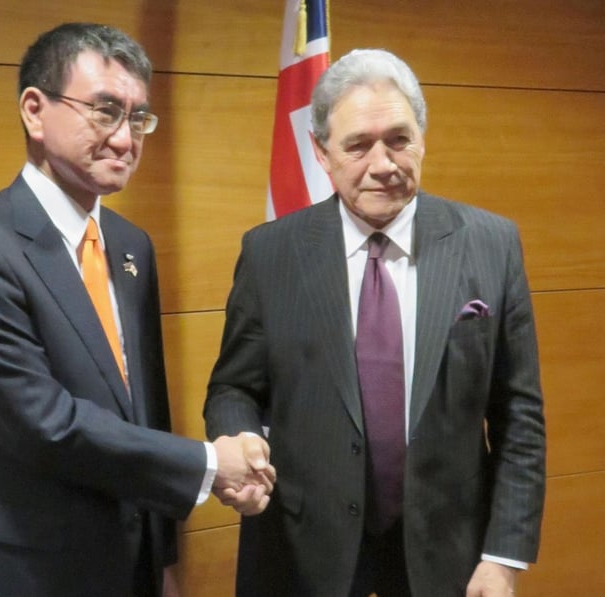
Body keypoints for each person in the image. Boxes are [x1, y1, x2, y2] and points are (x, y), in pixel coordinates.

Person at [0, 23, 275, 597]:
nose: (125, 138)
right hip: (27, 574)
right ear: (35, 112)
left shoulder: (130, 245)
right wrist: (210, 465)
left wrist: (162, 559)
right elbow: (45, 424)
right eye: (106, 110)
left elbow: (144, 411)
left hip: (130, 567)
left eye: (138, 118)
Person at [204, 48, 545, 597]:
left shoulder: (491, 244)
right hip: (301, 554)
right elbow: (234, 386)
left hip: (448, 560)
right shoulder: (271, 254)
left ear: (423, 138)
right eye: (358, 145)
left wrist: (503, 558)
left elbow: (519, 416)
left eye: (398, 139)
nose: (382, 164)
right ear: (321, 153)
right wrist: (238, 436)